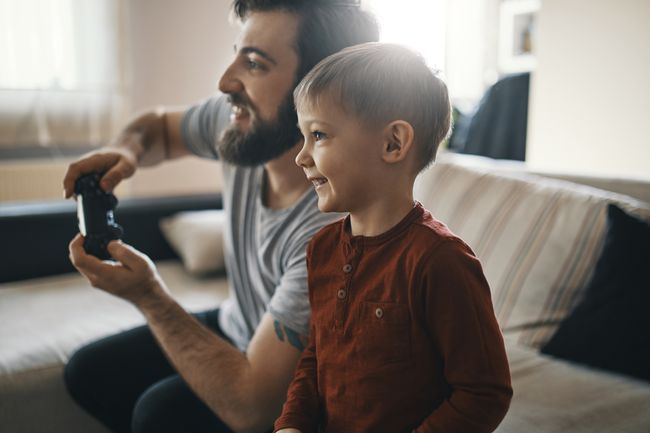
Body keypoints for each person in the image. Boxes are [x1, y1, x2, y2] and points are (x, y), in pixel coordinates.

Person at [62, 2, 378, 433]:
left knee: (158, 416)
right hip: (240, 324)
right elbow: (157, 127)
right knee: (88, 372)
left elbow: (255, 408)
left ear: (323, 91)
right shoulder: (242, 127)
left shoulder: (332, 231)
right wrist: (126, 150)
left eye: (254, 64)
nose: (225, 81)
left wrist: (150, 296)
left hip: (309, 396)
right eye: (237, 53)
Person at [273, 43, 513, 433]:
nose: (301, 156)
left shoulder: (441, 261)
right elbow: (317, 357)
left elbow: (484, 393)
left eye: (318, 134)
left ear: (393, 143)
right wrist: (291, 424)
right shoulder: (321, 250)